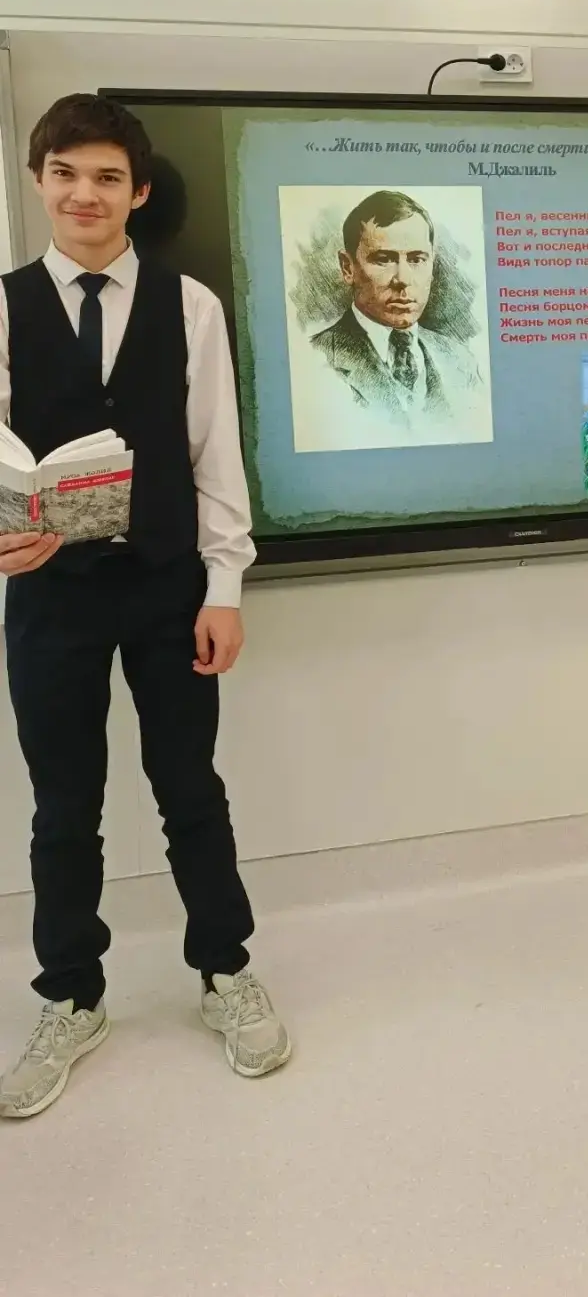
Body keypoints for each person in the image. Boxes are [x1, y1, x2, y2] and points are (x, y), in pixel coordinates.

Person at [0, 94, 290, 1121]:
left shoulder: (190, 304)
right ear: (39, 180)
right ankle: (71, 997)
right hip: (49, 598)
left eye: (107, 177)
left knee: (189, 789)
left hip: (169, 587)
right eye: (66, 173)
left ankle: (225, 969)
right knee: (61, 806)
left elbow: (218, 458)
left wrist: (225, 588)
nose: (85, 193)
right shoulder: (3, 306)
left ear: (139, 191)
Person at [310, 189, 481, 424]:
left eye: (417, 259)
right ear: (348, 268)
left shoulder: (461, 360)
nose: (403, 279)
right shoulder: (315, 362)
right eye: (383, 260)